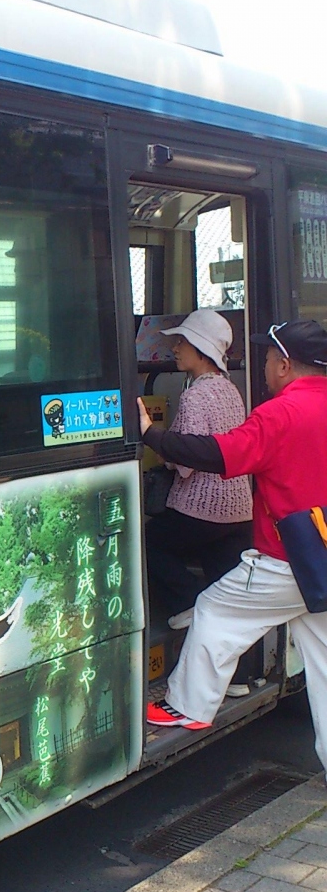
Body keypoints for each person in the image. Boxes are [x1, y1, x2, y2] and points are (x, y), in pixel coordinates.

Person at [137, 319, 327, 776]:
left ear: (285, 364)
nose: (263, 366)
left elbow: (218, 455)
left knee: (214, 611)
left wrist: (150, 434)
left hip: (289, 560)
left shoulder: (280, 414)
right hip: (321, 560)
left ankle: (187, 705)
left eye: (267, 358)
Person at [144, 310, 253, 628]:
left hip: (200, 509)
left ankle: (188, 603)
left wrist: (162, 453)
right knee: (227, 599)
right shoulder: (231, 391)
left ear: (202, 349)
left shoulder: (194, 396)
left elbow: (185, 463)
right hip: (238, 511)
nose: (175, 349)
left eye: (182, 342)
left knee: (148, 543)